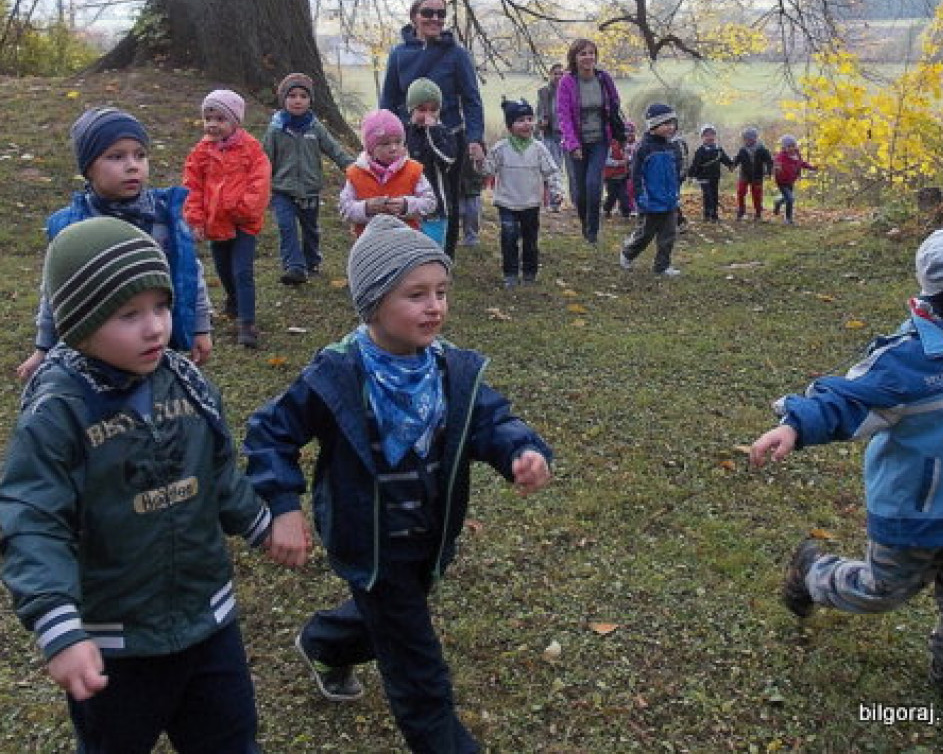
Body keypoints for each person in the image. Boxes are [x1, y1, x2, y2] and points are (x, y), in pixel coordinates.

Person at [244, 213, 553, 753]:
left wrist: (520, 451)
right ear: (373, 303)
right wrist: (282, 506)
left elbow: (490, 420)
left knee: (390, 614)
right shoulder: (337, 374)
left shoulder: (450, 369)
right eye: (415, 294)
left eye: (440, 291)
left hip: (428, 536)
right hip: (368, 539)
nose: (434, 306)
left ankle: (323, 643)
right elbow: (271, 433)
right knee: (416, 665)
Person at [0, 217, 308, 753]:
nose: (155, 328)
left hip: (208, 621)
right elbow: (32, 520)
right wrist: (59, 626)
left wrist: (260, 523)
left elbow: (214, 469)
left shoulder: (186, 382)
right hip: (116, 644)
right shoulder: (59, 412)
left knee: (232, 741)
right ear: (80, 322)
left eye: (161, 307)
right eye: (129, 314)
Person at [749, 227, 943, 714]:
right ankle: (813, 572)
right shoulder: (908, 363)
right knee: (880, 593)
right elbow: (847, 397)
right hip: (914, 514)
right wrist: (794, 426)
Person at [16, 107, 213, 382]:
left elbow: (189, 273)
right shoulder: (72, 227)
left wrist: (200, 327)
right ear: (88, 168)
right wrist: (43, 347)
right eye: (116, 156)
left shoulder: (163, 217)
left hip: (155, 341)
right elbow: (54, 293)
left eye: (140, 155)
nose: (132, 165)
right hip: (95, 354)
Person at [380, 0, 485, 258]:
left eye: (441, 13)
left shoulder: (457, 55)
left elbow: (472, 100)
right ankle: (410, 255)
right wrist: (385, 137)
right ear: (414, 16)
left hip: (448, 139)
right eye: (428, 12)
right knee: (408, 194)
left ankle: (443, 258)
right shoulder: (399, 54)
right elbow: (388, 101)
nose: (435, 18)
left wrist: (474, 138)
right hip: (408, 141)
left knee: (445, 199)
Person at [183, 89, 271, 349]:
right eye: (208, 118)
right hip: (215, 222)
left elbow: (260, 182)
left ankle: (247, 322)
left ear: (235, 122)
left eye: (220, 119)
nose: (213, 124)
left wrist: (244, 210)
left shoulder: (252, 148)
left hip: (243, 222)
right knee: (223, 267)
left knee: (242, 270)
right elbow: (192, 186)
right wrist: (196, 219)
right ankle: (233, 298)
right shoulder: (200, 151)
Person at [264, 72, 355, 286]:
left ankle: (311, 260)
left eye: (303, 96)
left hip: (310, 189)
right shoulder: (276, 129)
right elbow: (265, 159)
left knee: (310, 228)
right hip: (283, 190)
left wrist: (351, 167)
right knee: (287, 228)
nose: (297, 100)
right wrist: (260, 185)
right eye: (292, 95)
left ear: (310, 100)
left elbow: (333, 149)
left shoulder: (315, 127)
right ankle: (294, 267)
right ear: (283, 99)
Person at [480, 98, 563, 288]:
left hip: (531, 203)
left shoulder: (538, 148)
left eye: (529, 118)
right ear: (510, 126)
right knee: (508, 237)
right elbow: (488, 171)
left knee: (530, 239)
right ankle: (510, 273)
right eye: (520, 120)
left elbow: (551, 171)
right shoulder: (501, 149)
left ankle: (529, 272)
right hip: (507, 202)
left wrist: (556, 189)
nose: (526, 124)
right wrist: (479, 161)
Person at [556, 38, 623, 246]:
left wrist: (620, 129)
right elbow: (563, 115)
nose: (588, 57)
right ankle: (585, 224)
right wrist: (573, 144)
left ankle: (593, 232)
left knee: (594, 185)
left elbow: (615, 104)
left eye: (591, 53)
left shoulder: (604, 79)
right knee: (580, 192)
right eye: (583, 53)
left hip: (599, 140)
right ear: (574, 58)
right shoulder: (567, 82)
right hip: (575, 142)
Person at [340, 109, 437, 238]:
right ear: (370, 148)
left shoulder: (413, 169)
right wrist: (366, 208)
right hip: (369, 244)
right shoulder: (356, 173)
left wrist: (406, 206)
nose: (393, 148)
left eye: (398, 142)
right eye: (385, 144)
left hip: (407, 242)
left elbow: (430, 202)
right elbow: (345, 209)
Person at [619, 103, 685, 277]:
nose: (671, 127)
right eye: (666, 124)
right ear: (653, 126)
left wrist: (677, 191)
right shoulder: (644, 148)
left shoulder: (673, 147)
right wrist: (640, 197)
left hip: (669, 201)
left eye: (673, 123)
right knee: (645, 234)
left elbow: (676, 172)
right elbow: (636, 176)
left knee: (668, 236)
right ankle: (628, 253)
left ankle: (662, 266)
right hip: (650, 202)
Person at [404, 77, 457, 246]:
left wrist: (433, 131)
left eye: (433, 110)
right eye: (421, 109)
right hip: (407, 210)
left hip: (435, 211)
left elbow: (447, 158)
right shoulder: (402, 134)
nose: (428, 115)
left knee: (432, 255)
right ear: (411, 110)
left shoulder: (444, 134)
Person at [535, 62, 570, 211]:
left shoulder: (569, 91)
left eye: (561, 73)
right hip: (550, 134)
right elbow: (539, 113)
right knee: (553, 168)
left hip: (568, 135)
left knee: (570, 171)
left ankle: (572, 201)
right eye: (555, 73)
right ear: (550, 75)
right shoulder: (544, 92)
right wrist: (541, 122)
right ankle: (554, 201)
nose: (558, 76)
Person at [688, 124, 734, 223]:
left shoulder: (718, 149)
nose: (710, 137)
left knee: (714, 195)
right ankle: (707, 214)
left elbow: (725, 159)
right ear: (702, 137)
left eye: (712, 135)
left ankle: (714, 215)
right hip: (703, 177)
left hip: (715, 176)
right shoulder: (700, 151)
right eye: (707, 135)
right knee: (707, 195)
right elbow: (695, 164)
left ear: (715, 136)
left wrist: (731, 165)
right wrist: (690, 175)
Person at [772, 134, 817, 225]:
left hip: (791, 181)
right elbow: (775, 165)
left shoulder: (797, 154)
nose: (791, 148)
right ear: (784, 147)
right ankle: (788, 219)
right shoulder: (781, 157)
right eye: (789, 146)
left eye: (793, 146)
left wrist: (811, 167)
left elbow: (801, 163)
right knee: (790, 199)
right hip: (782, 182)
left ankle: (777, 202)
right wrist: (776, 169)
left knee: (787, 198)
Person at [733, 126, 773, 221]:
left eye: (750, 138)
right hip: (744, 174)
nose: (748, 141)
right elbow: (738, 159)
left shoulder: (762, 149)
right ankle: (741, 211)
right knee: (741, 191)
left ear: (755, 138)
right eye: (746, 139)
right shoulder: (742, 149)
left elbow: (769, 161)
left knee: (757, 194)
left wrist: (768, 172)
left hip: (757, 175)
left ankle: (758, 213)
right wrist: (732, 165)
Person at [459, 146, 485, 247]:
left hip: (472, 180)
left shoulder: (476, 139)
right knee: (458, 210)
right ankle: (451, 236)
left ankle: (471, 238)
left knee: (472, 211)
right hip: (455, 176)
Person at [602, 136, 631, 219]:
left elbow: (630, 157)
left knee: (624, 196)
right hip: (611, 178)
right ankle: (607, 210)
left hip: (622, 177)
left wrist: (628, 159)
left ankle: (626, 214)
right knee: (612, 196)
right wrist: (619, 163)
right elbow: (606, 161)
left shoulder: (626, 148)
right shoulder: (611, 146)